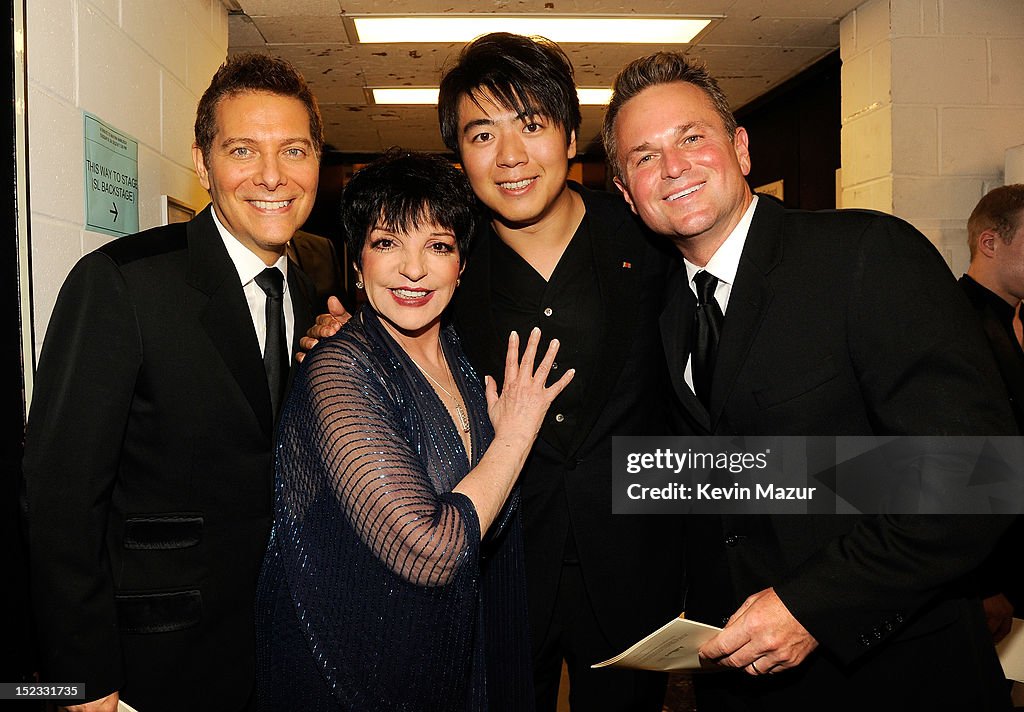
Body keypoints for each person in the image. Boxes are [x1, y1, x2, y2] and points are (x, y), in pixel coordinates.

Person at [602, 51, 1017, 710]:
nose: (672, 166)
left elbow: (978, 476)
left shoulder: (864, 257)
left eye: (691, 137)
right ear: (625, 192)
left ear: (740, 149)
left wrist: (813, 606)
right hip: (739, 680)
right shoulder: (659, 308)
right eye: (643, 157)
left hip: (895, 675)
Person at [302, 33, 685, 712]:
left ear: (570, 137)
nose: (510, 157)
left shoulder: (650, 242)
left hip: (636, 569)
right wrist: (343, 333)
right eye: (483, 135)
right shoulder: (445, 265)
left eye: (532, 126)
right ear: (461, 154)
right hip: (497, 572)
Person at [21, 53, 321, 712]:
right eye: (243, 149)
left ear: (316, 163)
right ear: (202, 161)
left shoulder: (306, 289)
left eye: (293, 150)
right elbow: (58, 500)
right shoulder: (123, 283)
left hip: (277, 648)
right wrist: (82, 678)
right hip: (148, 663)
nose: (272, 175)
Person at [256, 150, 573, 711]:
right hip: (359, 675)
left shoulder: (462, 356)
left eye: (438, 245)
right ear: (356, 263)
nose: (413, 269)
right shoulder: (339, 369)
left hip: (449, 657)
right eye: (386, 243)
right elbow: (430, 552)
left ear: (461, 265)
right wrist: (515, 437)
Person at [959, 185, 1024, 647]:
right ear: (989, 243)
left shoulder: (1010, 319)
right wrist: (983, 583)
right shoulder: (956, 322)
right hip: (990, 568)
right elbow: (963, 462)